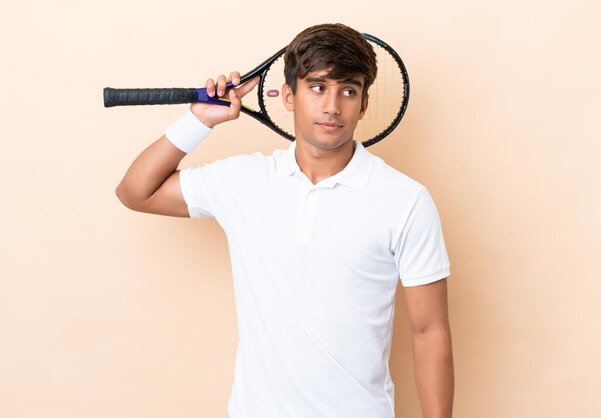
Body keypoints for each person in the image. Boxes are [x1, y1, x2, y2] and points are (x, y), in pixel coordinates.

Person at [115, 23, 454, 418]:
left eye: (348, 90)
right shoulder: (242, 181)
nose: (332, 106)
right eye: (317, 87)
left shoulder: (405, 200)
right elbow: (135, 192)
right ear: (289, 96)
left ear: (363, 105)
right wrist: (200, 121)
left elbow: (430, 332)